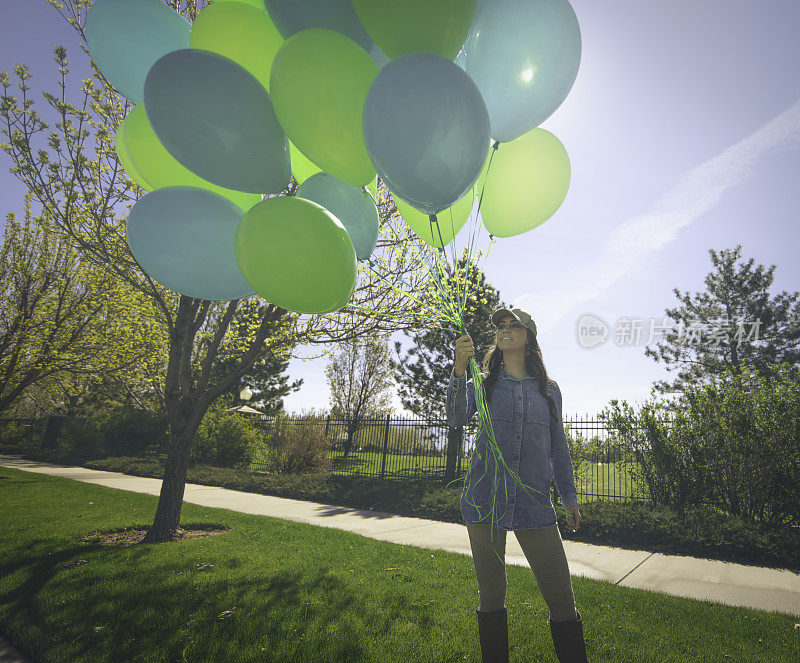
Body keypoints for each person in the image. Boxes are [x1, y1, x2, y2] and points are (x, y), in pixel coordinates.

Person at [446, 306, 588, 663]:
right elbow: (456, 418)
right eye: (501, 326)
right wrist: (459, 371)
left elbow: (558, 445)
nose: (505, 329)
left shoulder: (549, 391)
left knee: (561, 598)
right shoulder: (484, 381)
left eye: (514, 325)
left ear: (530, 337)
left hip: (534, 505)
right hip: (484, 502)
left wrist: (568, 496)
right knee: (491, 595)